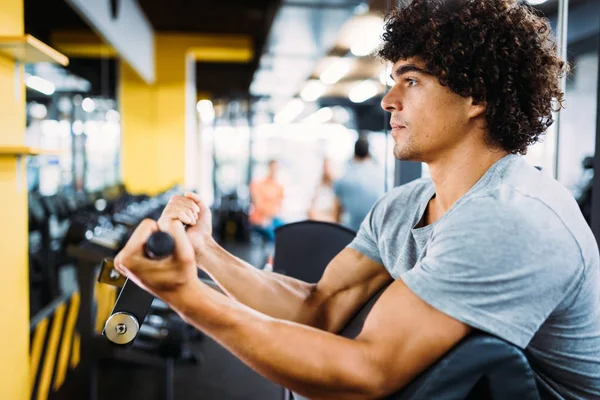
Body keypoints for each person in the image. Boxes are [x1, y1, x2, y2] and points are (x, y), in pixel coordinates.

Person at [113, 1, 600, 398]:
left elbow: (366, 372)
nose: (388, 100)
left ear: (475, 97)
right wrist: (205, 253)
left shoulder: (512, 217)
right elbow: (317, 307)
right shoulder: (402, 207)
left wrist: (187, 296)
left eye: (411, 80)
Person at [334, 137, 385, 231]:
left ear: (354, 153)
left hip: (352, 232)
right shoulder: (382, 176)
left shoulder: (344, 179)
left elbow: (337, 213)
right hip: (376, 232)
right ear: (369, 153)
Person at [248, 159, 285, 242]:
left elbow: (279, 206)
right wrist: (267, 217)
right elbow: (258, 204)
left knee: (286, 231)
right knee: (274, 235)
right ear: (268, 168)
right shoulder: (258, 184)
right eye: (272, 168)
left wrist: (273, 215)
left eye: (276, 169)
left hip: (273, 218)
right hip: (260, 219)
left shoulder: (279, 187)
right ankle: (272, 254)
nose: (274, 171)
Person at [308, 158, 340, 223]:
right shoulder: (319, 186)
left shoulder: (337, 188)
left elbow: (335, 217)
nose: (325, 170)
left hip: (328, 224)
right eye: (324, 166)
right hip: (316, 222)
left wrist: (317, 217)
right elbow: (311, 211)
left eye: (327, 166)